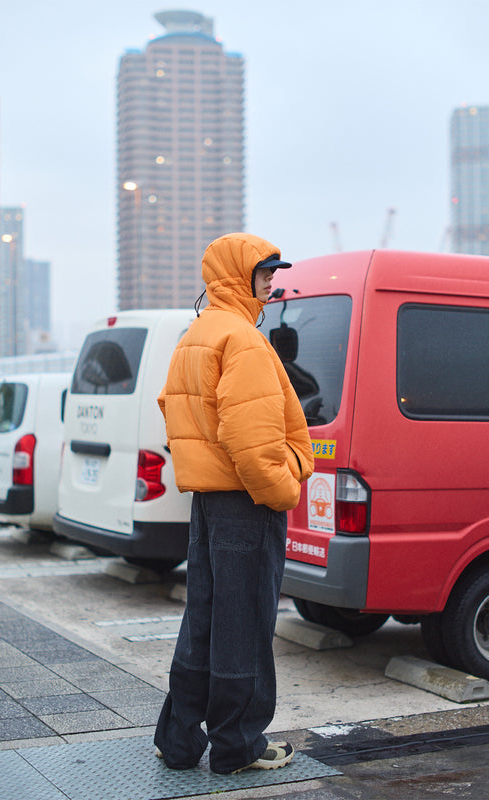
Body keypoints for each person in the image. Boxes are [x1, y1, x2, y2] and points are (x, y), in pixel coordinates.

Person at [154, 232, 314, 775]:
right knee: (243, 625)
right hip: (247, 503)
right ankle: (238, 745)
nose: (273, 281)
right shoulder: (243, 339)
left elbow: (171, 408)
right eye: (265, 272)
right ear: (238, 275)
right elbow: (252, 440)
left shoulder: (198, 333)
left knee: (204, 618)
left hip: (208, 502)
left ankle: (177, 739)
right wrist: (284, 490)